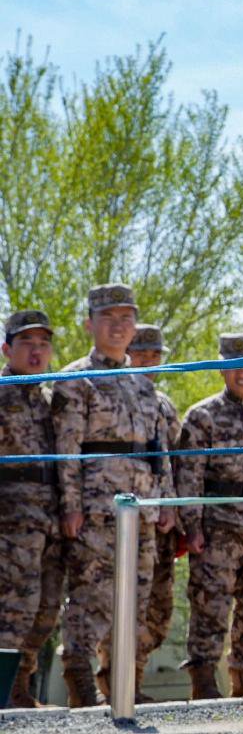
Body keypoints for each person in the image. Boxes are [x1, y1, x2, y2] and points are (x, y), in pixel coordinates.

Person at [50, 283, 174, 708]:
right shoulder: (75, 379)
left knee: (136, 600)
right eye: (109, 318)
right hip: (98, 509)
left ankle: (124, 685)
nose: (119, 327)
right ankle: (81, 687)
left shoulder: (142, 385)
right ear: (89, 324)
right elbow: (66, 449)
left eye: (126, 319)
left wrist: (164, 502)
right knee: (91, 597)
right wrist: (70, 506)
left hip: (141, 510)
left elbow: (158, 449)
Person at [175, 334, 243, 699]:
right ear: (221, 368)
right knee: (210, 604)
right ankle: (203, 680)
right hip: (218, 527)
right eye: (235, 366)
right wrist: (192, 525)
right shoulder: (203, 416)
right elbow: (189, 474)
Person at [0, 310, 60, 708]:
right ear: (7, 349)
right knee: (12, 607)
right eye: (27, 343)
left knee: (45, 608)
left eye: (43, 344)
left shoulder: (51, 398)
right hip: (10, 518)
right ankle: (4, 692)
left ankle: (20, 686)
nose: (36, 352)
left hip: (50, 519)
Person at [126, 326, 184, 703]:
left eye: (154, 355)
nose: (149, 362)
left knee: (159, 607)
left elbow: (172, 463)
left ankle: (133, 677)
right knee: (123, 600)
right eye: (141, 354)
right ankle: (116, 681)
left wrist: (173, 509)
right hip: (128, 517)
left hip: (161, 520)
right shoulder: (120, 397)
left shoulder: (163, 405)